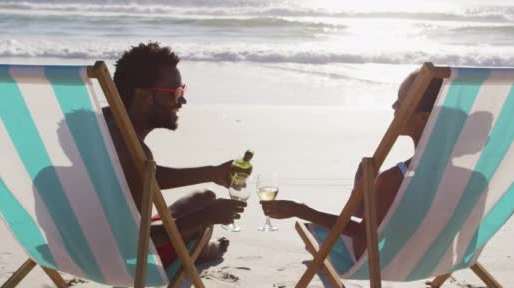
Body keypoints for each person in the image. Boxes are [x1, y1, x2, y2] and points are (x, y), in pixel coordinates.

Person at [261, 70, 442, 258]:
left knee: (317, 231)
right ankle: (363, 195)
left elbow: (365, 234)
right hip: (438, 255)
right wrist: (368, 193)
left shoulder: (396, 178)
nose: (394, 105)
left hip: (387, 258)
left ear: (423, 117)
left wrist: (300, 210)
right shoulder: (467, 174)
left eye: (402, 102)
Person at [104, 42, 246, 267]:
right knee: (204, 217)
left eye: (183, 91)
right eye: (174, 93)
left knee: (203, 197)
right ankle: (203, 250)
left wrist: (211, 173)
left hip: (77, 245)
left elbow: (143, 176)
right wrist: (206, 217)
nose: (182, 101)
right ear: (142, 97)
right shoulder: (131, 150)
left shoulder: (98, 130)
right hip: (125, 257)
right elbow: (139, 243)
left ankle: (201, 232)